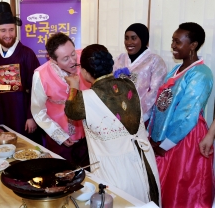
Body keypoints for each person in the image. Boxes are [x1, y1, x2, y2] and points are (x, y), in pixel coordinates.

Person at [64, 44, 161, 205]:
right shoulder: (129, 84)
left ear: (86, 72)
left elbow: (71, 111)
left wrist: (73, 87)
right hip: (144, 161)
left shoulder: (86, 98)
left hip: (115, 169)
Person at [148, 22, 214, 207]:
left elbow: (188, 115)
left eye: (178, 42)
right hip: (165, 138)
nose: (173, 46)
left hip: (185, 139)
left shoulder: (201, 73)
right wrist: (152, 133)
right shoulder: (175, 70)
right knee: (164, 187)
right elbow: (160, 105)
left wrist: (166, 144)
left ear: (193, 45)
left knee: (181, 189)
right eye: (172, 41)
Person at [31, 32, 91, 167]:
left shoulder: (86, 59)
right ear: (52, 59)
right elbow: (38, 111)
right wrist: (58, 135)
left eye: (73, 54)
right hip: (61, 137)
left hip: (88, 134)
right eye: (65, 58)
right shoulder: (41, 75)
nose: (73, 60)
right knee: (62, 174)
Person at [0, 2, 41, 143]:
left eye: (11, 30)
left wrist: (31, 116)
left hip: (23, 114)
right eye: (3, 30)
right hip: (1, 113)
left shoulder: (27, 54)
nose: (8, 35)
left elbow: (36, 88)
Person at [113, 23, 167, 124]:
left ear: (143, 39)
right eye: (126, 38)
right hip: (118, 116)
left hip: (142, 118)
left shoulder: (155, 61)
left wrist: (139, 118)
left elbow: (155, 92)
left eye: (134, 38)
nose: (129, 42)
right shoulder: (120, 59)